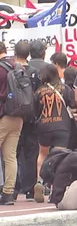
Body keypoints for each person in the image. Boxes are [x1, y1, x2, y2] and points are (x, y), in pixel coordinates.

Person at [33, 64, 77, 203]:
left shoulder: (39, 91)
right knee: (59, 157)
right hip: (62, 126)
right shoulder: (65, 89)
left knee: (42, 154)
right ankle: (55, 188)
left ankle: (39, 181)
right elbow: (73, 107)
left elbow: (35, 111)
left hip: (44, 126)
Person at [14, 41, 40, 202]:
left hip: (14, 115)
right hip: (31, 117)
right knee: (31, 153)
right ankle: (30, 189)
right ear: (29, 54)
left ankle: (13, 188)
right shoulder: (35, 72)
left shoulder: (11, 70)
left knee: (12, 153)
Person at [0, 42, 25, 205]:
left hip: (3, 116)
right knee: (10, 156)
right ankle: (8, 193)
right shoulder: (19, 67)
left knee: (9, 156)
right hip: (19, 116)